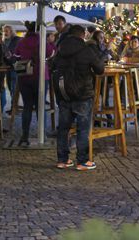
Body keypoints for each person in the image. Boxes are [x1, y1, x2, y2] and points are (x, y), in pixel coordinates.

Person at [52, 25, 104, 171]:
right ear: (83, 35)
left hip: (64, 94)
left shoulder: (60, 50)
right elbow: (100, 69)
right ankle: (82, 161)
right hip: (82, 94)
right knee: (83, 128)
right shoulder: (86, 50)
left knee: (63, 128)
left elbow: (53, 67)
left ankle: (62, 160)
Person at [14, 21, 56, 145]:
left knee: (27, 106)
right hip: (41, 76)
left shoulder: (22, 41)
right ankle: (41, 134)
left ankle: (25, 135)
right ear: (39, 29)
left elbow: (16, 55)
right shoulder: (42, 41)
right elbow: (51, 53)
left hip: (25, 77)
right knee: (40, 106)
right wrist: (52, 43)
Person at [3, 25, 20, 108]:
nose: (5, 33)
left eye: (6, 31)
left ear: (11, 31)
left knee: (14, 87)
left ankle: (14, 106)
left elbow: (17, 53)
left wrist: (11, 56)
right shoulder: (4, 41)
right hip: (7, 67)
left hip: (15, 67)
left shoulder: (17, 40)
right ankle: (14, 105)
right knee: (10, 87)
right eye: (4, 31)